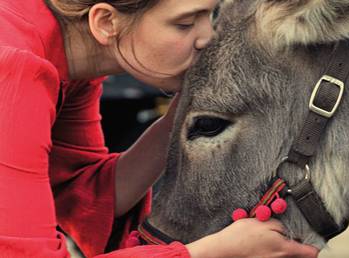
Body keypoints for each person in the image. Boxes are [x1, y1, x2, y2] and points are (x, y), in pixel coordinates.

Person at [0, 0, 320, 257]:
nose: (207, 37)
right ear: (106, 23)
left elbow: (80, 193)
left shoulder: (67, 59)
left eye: (210, 14)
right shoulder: (14, 70)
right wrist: (211, 252)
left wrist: (177, 120)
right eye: (184, 23)